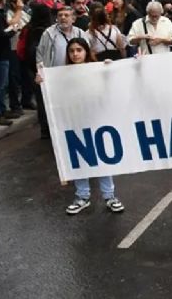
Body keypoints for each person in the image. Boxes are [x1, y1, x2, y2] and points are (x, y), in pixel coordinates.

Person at [36, 38, 125, 214]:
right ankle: (82, 196)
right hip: (74, 122)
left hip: (97, 120)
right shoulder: (61, 75)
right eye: (71, 51)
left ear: (86, 51)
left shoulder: (96, 69)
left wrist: (110, 70)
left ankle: (109, 196)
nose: (75, 54)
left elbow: (112, 87)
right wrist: (43, 82)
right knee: (79, 160)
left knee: (102, 158)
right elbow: (56, 95)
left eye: (79, 50)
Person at [36, 5, 90, 138]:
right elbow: (40, 55)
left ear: (73, 18)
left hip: (76, 77)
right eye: (60, 15)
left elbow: (88, 52)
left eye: (66, 15)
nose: (63, 18)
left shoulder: (80, 33)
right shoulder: (49, 33)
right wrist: (41, 72)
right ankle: (53, 133)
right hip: (56, 78)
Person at [0, 0, 16, 125]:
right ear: (1, 0)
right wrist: (13, 31)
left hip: (0, 54)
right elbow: (0, 35)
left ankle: (1, 109)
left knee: (1, 85)